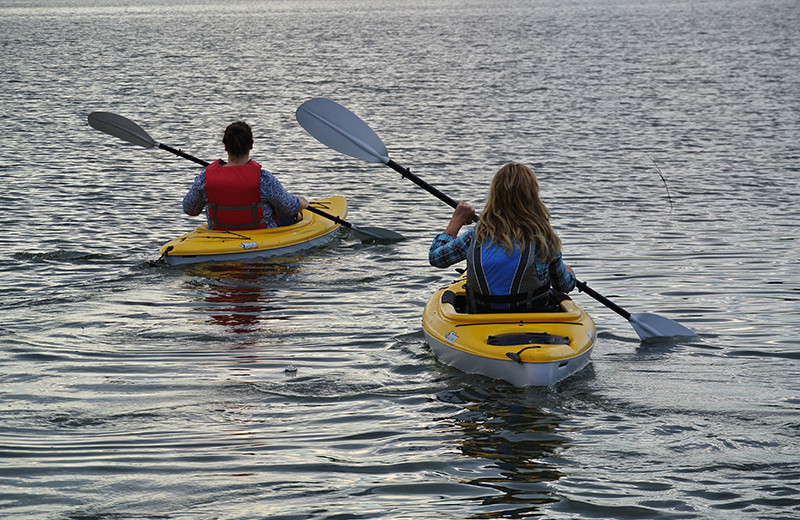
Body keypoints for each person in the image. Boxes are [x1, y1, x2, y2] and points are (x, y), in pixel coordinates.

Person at [428, 162, 576, 313]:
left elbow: (437, 258)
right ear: (533, 196)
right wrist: (569, 273)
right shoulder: (544, 238)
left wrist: (457, 220)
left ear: (495, 195)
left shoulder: (477, 235)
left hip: (482, 320)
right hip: (534, 319)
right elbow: (563, 285)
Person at [183, 121, 309, 230]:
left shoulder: (204, 178)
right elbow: (290, 207)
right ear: (251, 145)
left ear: (225, 146)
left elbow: (190, 209)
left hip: (220, 233)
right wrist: (303, 202)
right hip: (262, 235)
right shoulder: (263, 179)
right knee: (287, 211)